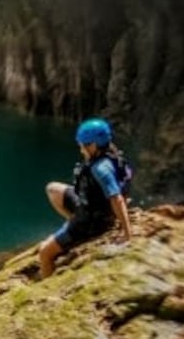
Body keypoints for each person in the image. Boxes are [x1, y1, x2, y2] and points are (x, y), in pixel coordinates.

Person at [38, 118, 132, 279]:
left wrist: (127, 234)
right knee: (53, 189)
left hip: (90, 222)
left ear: (93, 145)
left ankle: (46, 284)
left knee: (44, 252)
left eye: (83, 145)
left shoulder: (101, 169)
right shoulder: (113, 157)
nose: (81, 150)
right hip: (88, 206)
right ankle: (71, 225)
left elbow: (117, 199)